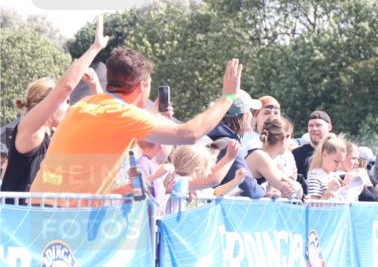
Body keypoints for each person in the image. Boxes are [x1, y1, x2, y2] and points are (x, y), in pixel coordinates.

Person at [30, 45, 244, 201]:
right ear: (142, 86)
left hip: (41, 207)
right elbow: (190, 134)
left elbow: (122, 134)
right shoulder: (122, 114)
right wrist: (227, 97)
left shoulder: (85, 105)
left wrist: (152, 114)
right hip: (68, 216)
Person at [2, 15, 107, 193]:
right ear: (46, 104)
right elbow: (65, 87)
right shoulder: (30, 130)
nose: (68, 106)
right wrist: (95, 48)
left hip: (39, 217)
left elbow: (105, 119)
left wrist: (95, 86)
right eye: (64, 102)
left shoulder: (53, 136)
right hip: (15, 219)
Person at [293, 110, 333, 183]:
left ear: (329, 127)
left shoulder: (338, 151)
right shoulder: (296, 154)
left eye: (318, 125)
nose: (314, 129)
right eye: (311, 125)